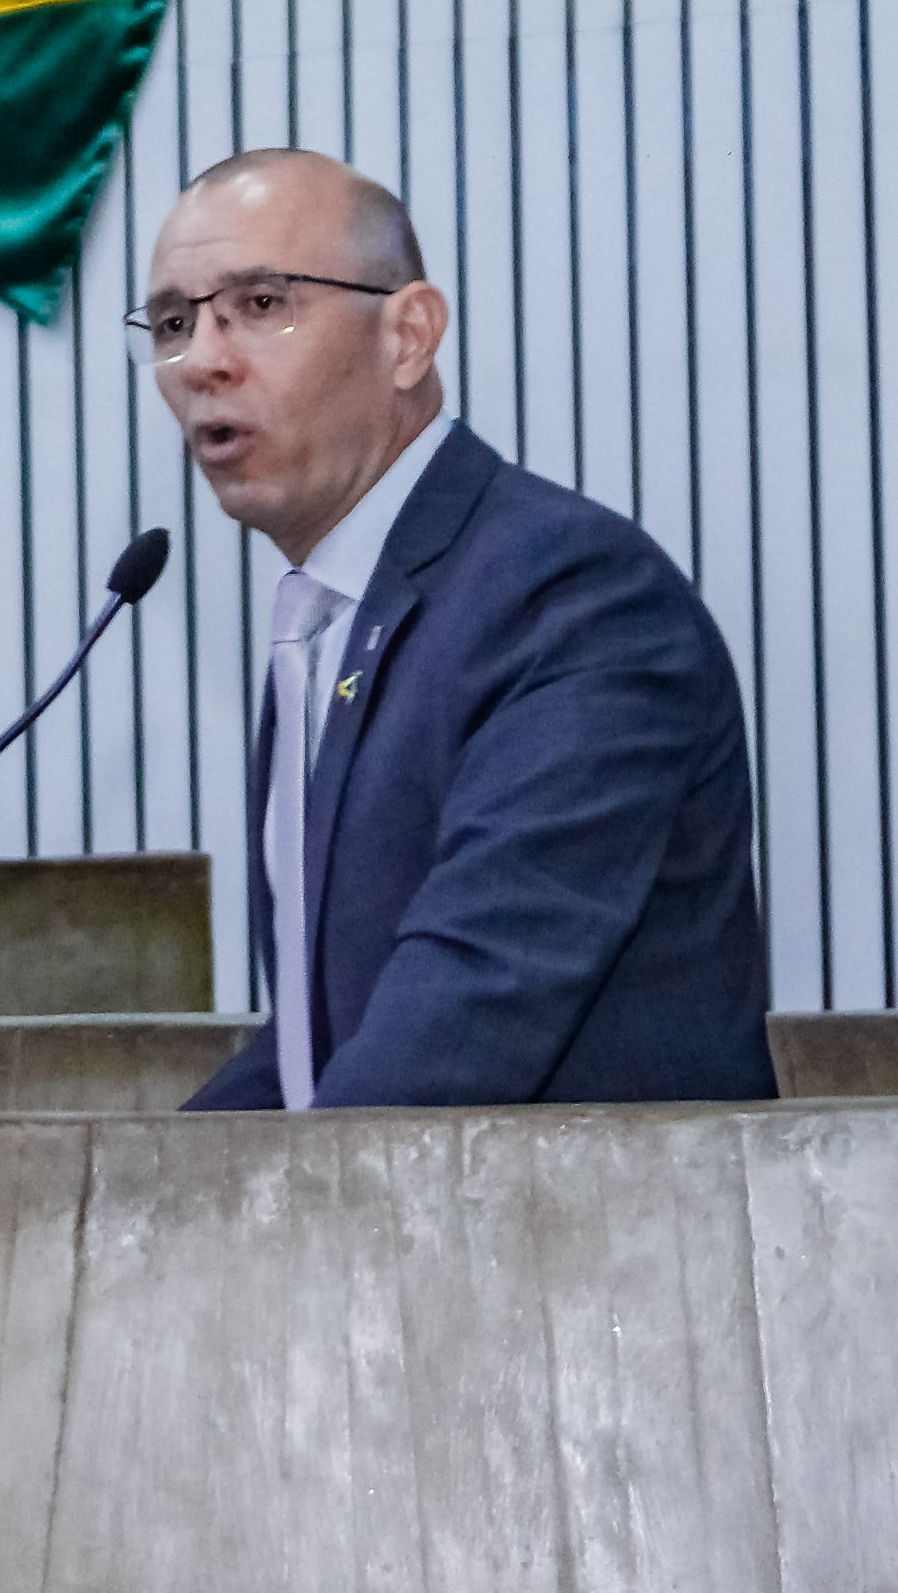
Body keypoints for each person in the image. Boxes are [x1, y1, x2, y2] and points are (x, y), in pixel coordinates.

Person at [138, 149, 771, 1109]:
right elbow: (321, 1046)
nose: (203, 362)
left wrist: (248, 1201)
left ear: (408, 336)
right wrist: (121, 1186)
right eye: (173, 323)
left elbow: (463, 1015)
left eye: (260, 304)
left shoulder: (569, 597)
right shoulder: (328, 611)